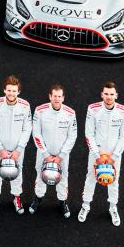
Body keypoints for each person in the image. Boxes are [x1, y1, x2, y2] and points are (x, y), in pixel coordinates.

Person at [79, 82, 124, 226]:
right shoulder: (93, 109)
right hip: (97, 153)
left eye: (111, 94)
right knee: (91, 178)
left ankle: (113, 207)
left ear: (116, 95)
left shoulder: (123, 111)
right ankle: (85, 205)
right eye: (106, 94)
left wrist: (114, 157)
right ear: (102, 94)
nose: (109, 97)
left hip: (115, 155)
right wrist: (97, 155)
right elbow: (89, 134)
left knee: (114, 180)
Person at [29, 85, 78, 218]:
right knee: (40, 175)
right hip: (43, 153)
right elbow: (36, 133)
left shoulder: (70, 113)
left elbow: (72, 136)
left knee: (63, 177)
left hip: (62, 155)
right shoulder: (40, 111)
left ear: (63, 97)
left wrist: (61, 155)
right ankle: (37, 199)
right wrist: (45, 154)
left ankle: (62, 202)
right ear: (50, 96)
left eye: (59, 96)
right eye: (54, 96)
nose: (57, 99)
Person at [0, 76, 32, 215]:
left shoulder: (25, 106)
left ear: (18, 91)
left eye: (14, 91)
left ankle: (16, 198)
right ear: (4, 90)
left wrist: (19, 149)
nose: (11, 93)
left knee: (18, 171)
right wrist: (0, 148)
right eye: (9, 90)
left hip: (17, 149)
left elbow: (27, 129)